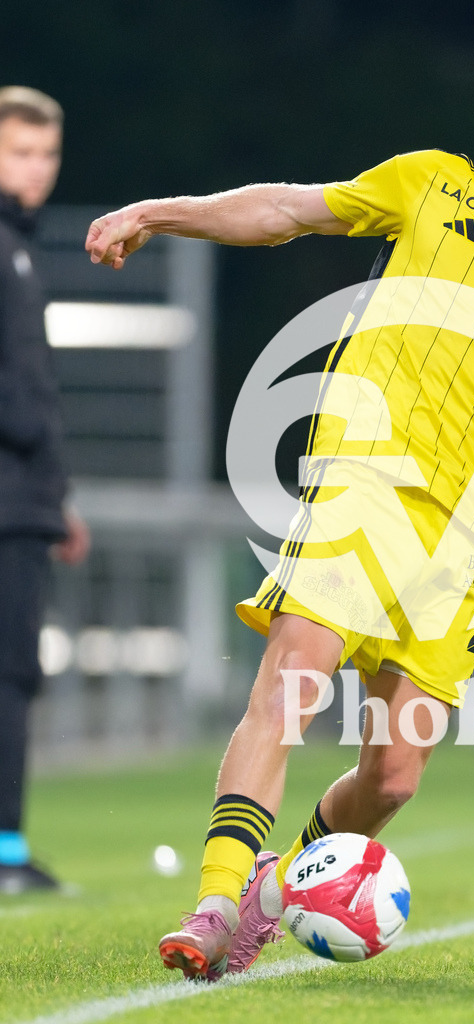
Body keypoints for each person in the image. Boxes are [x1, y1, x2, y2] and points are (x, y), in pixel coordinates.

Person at [86, 38, 474, 980]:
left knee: (394, 774)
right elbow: (285, 211)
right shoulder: (429, 184)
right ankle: (216, 899)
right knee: (294, 675)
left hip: (462, 535)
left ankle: (270, 894)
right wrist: (159, 212)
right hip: (361, 480)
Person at [0, 86, 90, 894]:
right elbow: (25, 399)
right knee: (8, 670)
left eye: (47, 153)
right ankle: (4, 851)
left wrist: (54, 498)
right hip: (8, 495)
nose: (37, 168)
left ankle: (8, 844)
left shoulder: (19, 246)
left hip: (25, 499)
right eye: (19, 151)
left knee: (15, 670)